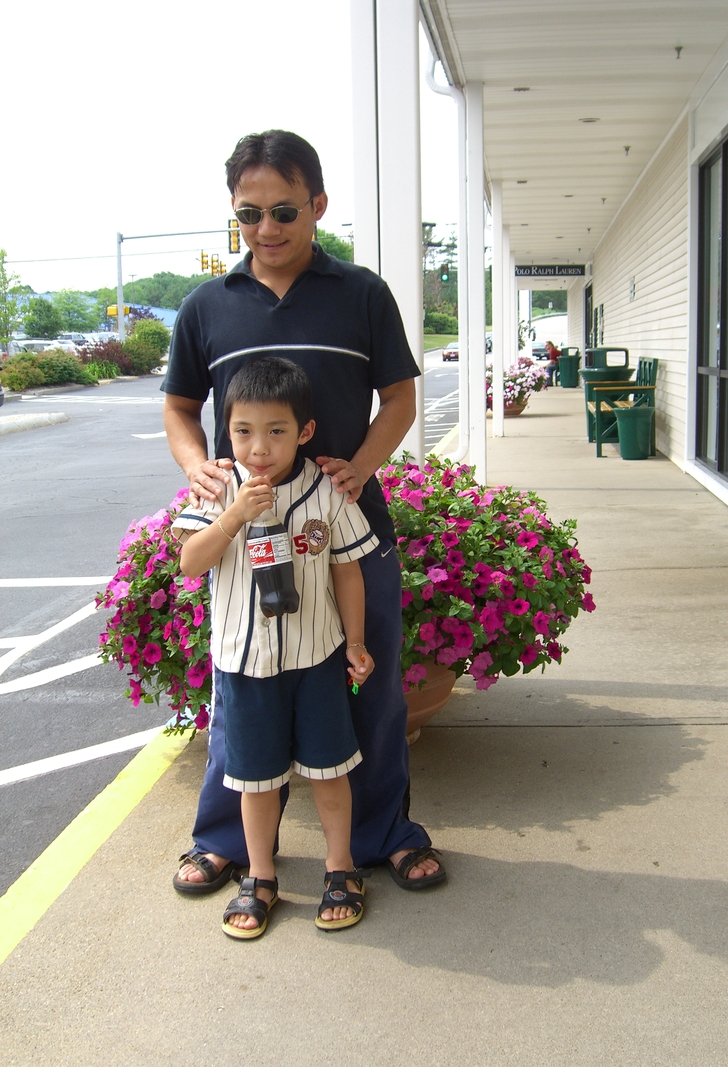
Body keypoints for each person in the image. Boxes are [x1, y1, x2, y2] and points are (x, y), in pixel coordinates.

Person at [162, 129, 445, 895]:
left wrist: (364, 463)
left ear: (317, 204)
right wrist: (196, 466)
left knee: (369, 682)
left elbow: (399, 398)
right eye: (248, 214)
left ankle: (383, 834)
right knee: (242, 688)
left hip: (346, 531)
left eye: (284, 210)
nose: (267, 228)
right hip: (245, 538)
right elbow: (180, 407)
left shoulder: (361, 294)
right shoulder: (207, 307)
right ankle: (226, 840)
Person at [172, 357, 377, 938]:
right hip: (245, 662)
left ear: (305, 431)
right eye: (243, 431)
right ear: (226, 430)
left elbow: (347, 570)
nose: (258, 447)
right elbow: (190, 563)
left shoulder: (327, 490)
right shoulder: (218, 487)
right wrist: (235, 515)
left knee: (329, 771)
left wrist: (355, 643)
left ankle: (341, 867)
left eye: (276, 431)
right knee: (255, 779)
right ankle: (260, 875)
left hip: (316, 657)